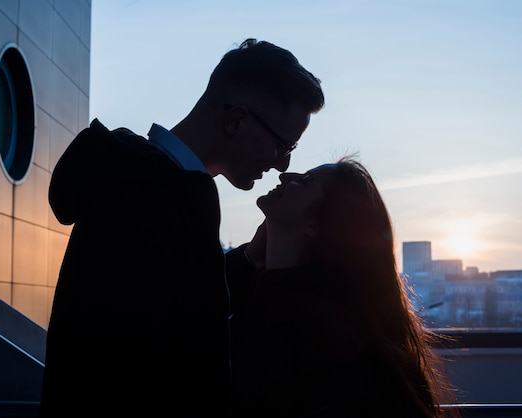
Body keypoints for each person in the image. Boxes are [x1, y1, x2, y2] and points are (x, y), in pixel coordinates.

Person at [39, 38, 325, 418]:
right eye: (283, 145)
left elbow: (158, 307)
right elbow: (178, 354)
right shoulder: (170, 195)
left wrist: (246, 261)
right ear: (235, 120)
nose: (281, 165)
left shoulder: (136, 181)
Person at [229, 156, 459, 418]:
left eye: (304, 181)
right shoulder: (298, 307)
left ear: (315, 224)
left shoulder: (303, 323)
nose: (284, 176)